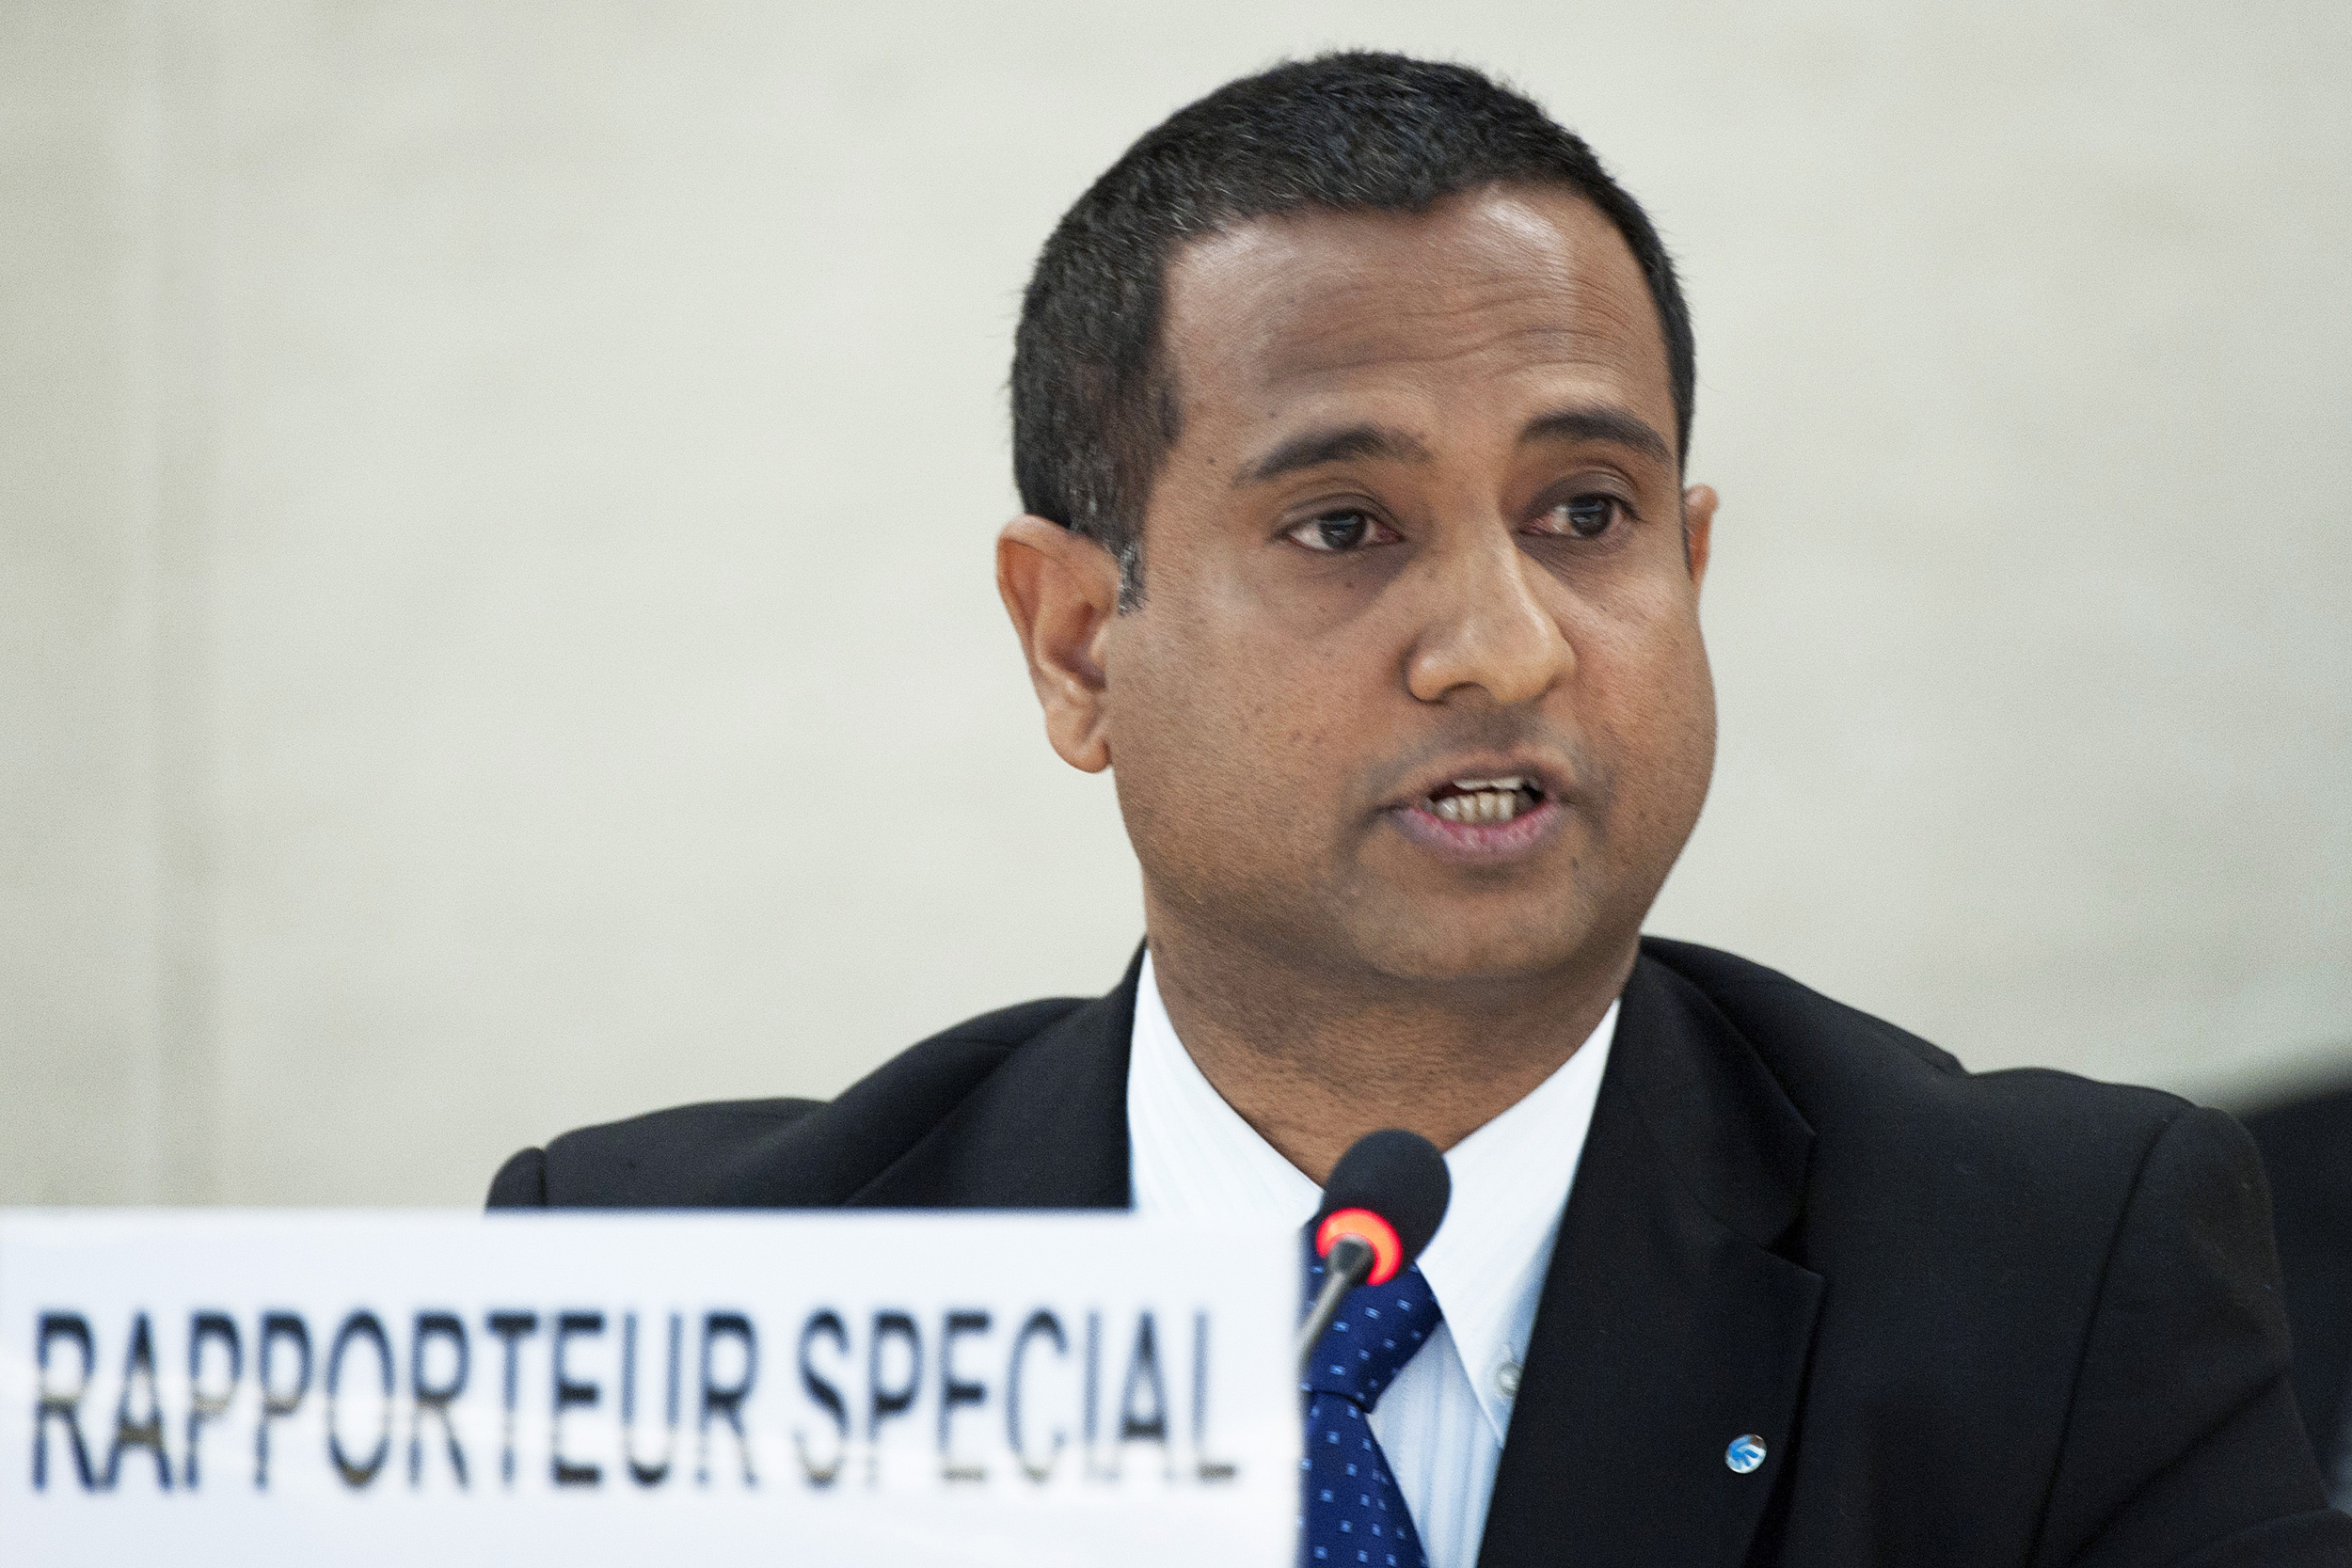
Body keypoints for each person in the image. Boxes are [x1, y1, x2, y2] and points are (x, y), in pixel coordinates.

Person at [487, 53, 2349, 1566]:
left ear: (1692, 568)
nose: (1503, 646)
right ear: (1076, 644)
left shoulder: (2060, 1274)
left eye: (1586, 515)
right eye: (1343, 527)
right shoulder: (671, 1304)